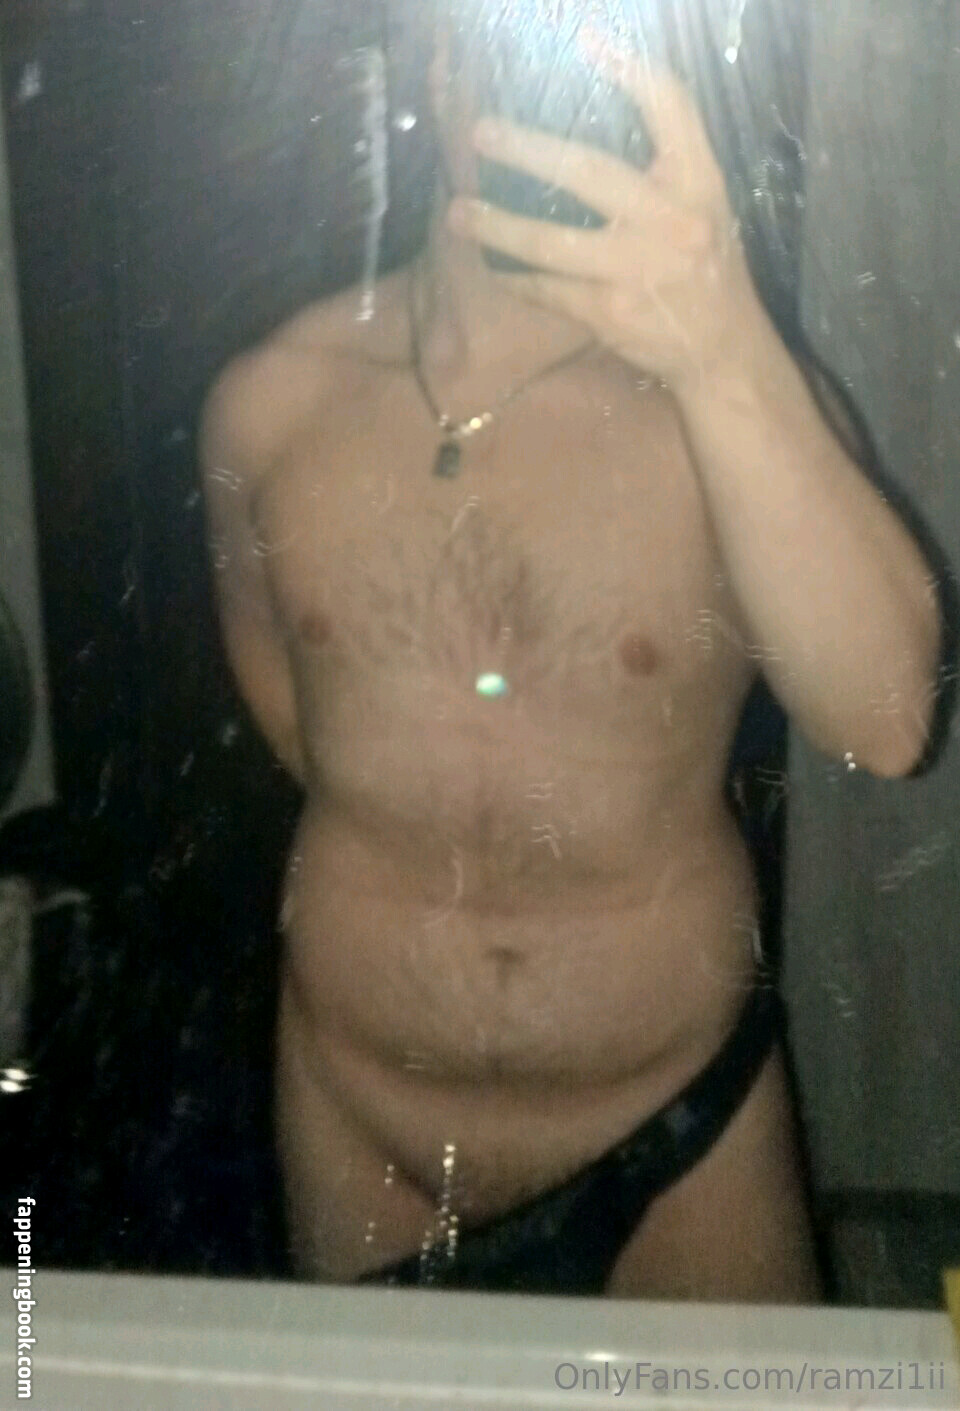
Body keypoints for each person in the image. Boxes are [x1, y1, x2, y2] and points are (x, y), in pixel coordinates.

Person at [199, 7, 941, 1300]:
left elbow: (886, 721)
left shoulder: (727, 400)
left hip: (677, 1132)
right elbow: (300, 722)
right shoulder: (271, 404)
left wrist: (721, 346)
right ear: (444, 67)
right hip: (356, 1123)